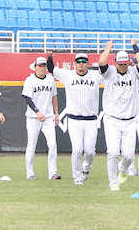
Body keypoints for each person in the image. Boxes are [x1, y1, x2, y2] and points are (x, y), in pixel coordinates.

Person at [47, 51, 101, 186]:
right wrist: (49, 57)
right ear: (74, 64)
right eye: (78, 62)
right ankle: (77, 177)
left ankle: (86, 169)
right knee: (77, 149)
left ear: (87, 64)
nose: (81, 64)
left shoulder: (95, 76)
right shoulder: (68, 75)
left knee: (89, 151)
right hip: (74, 119)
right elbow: (52, 69)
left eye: (84, 62)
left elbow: (110, 74)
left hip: (91, 119)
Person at [99, 40, 139, 192]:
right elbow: (101, 62)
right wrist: (108, 49)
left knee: (128, 156)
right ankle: (113, 182)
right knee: (112, 152)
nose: (123, 66)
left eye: (125, 63)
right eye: (120, 64)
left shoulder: (134, 73)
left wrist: (135, 46)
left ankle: (123, 169)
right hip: (112, 119)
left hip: (130, 120)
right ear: (116, 63)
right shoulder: (109, 73)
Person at [22, 55, 60, 181]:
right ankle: (30, 172)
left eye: (44, 65)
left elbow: (54, 96)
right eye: (40, 66)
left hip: (48, 116)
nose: (43, 68)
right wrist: (37, 112)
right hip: (33, 117)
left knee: (53, 144)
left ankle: (53, 172)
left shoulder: (50, 80)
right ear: (35, 67)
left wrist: (56, 113)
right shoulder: (30, 80)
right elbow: (28, 98)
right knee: (32, 144)